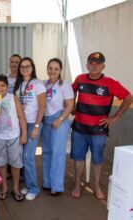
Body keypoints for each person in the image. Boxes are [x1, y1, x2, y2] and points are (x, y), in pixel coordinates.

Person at [70, 52, 132, 200]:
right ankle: (78, 184)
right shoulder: (80, 79)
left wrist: (115, 117)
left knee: (97, 159)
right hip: (79, 128)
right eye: (91, 63)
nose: (94, 66)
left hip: (98, 130)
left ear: (103, 66)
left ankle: (96, 185)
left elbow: (128, 97)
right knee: (78, 158)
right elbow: (71, 91)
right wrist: (72, 105)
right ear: (87, 65)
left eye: (97, 63)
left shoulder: (110, 83)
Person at [0, 75, 27, 202]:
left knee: (15, 164)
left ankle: (15, 188)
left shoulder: (12, 98)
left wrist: (24, 134)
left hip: (14, 136)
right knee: (1, 163)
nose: (0, 88)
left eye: (2, 86)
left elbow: (21, 117)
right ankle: (4, 187)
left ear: (6, 87)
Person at [14, 57, 46, 201]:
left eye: (27, 66)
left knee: (28, 157)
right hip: (22, 125)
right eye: (22, 67)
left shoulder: (38, 84)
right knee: (23, 156)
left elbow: (42, 107)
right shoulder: (19, 85)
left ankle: (34, 188)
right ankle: (28, 184)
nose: (25, 69)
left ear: (32, 68)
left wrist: (37, 126)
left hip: (33, 124)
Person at [40, 58, 74, 196]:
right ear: (47, 69)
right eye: (50, 68)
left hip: (59, 119)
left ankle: (57, 186)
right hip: (46, 120)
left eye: (56, 69)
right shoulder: (43, 84)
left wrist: (60, 120)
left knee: (57, 154)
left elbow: (70, 105)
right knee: (46, 152)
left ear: (60, 70)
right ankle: (47, 183)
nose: (52, 71)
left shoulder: (64, 85)